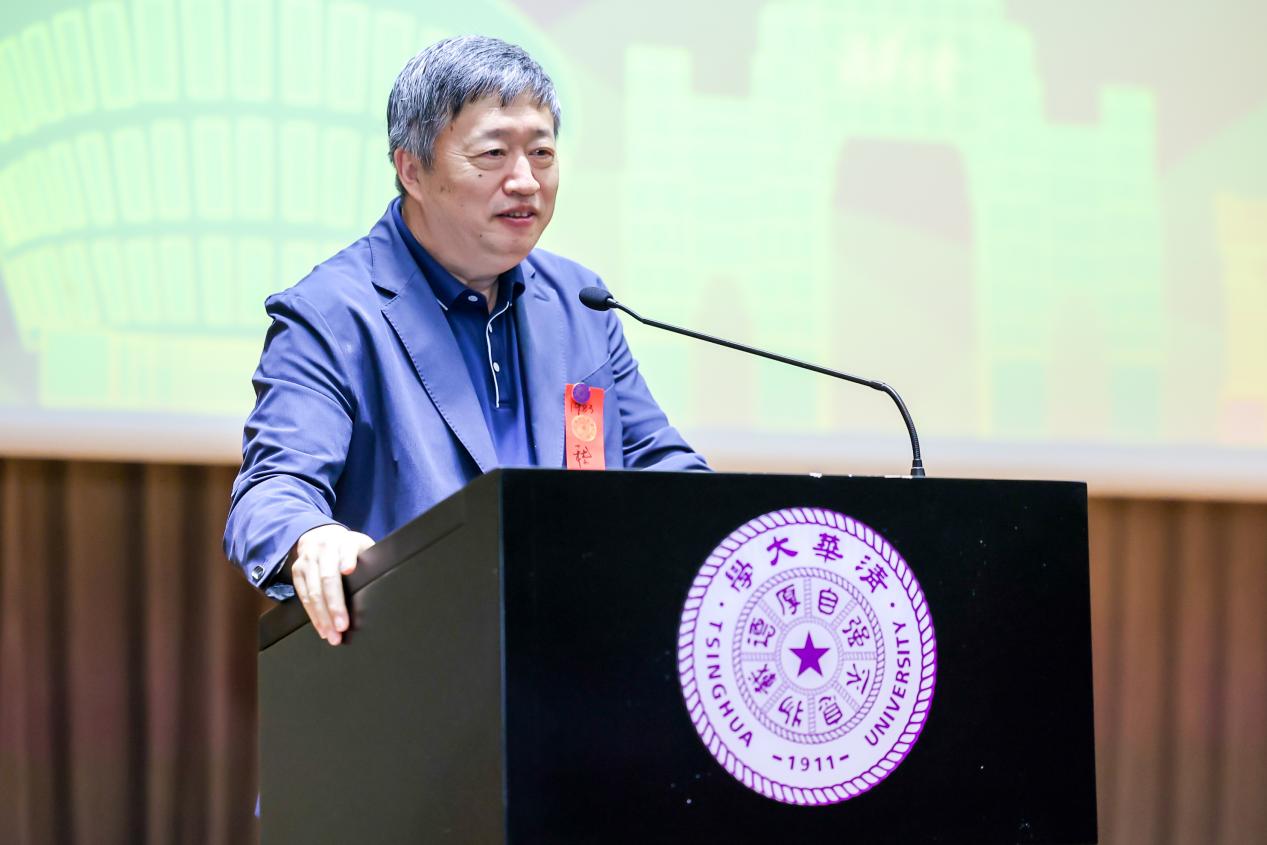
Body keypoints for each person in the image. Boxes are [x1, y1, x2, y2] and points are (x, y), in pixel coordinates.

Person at [223, 36, 707, 645]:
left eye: (541, 152)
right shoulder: (334, 314)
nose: (525, 181)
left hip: (579, 647)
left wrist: (725, 518)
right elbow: (271, 491)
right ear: (412, 170)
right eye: (494, 153)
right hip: (415, 655)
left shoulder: (579, 302)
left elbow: (662, 468)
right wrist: (311, 538)